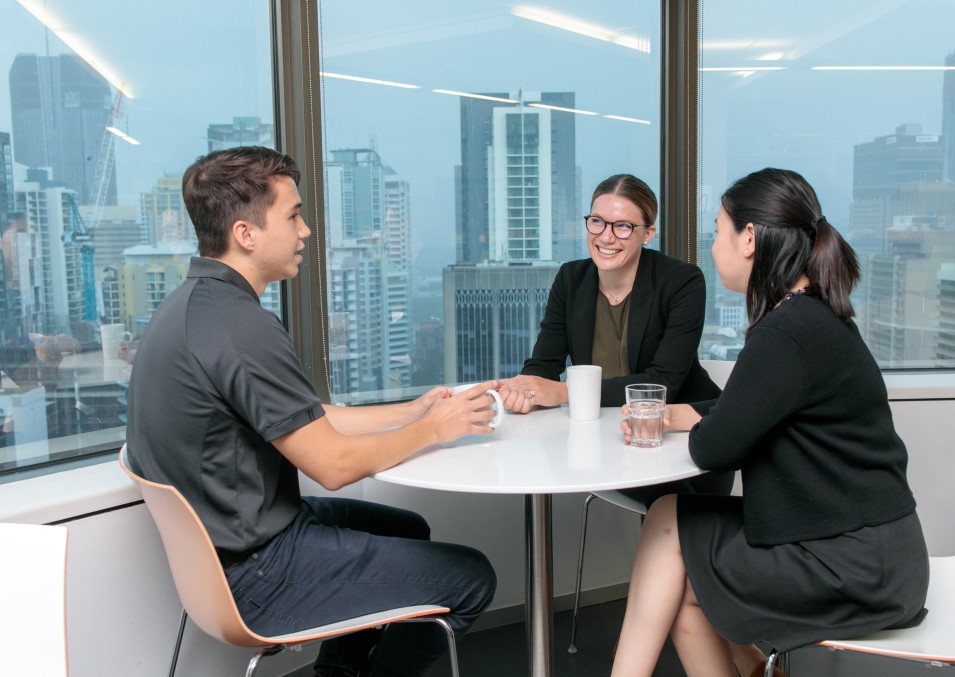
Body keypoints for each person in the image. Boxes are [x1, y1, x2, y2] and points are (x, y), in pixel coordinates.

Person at [125, 146, 497, 677]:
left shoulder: (193, 305)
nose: (305, 232)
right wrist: (435, 430)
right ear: (245, 233)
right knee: (472, 577)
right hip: (259, 569)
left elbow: (304, 415)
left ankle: (338, 672)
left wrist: (410, 412)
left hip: (230, 549)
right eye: (293, 216)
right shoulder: (240, 328)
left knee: (409, 527)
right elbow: (333, 466)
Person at [610, 168, 929, 677]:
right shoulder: (813, 315)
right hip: (876, 554)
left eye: (717, 232)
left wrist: (692, 423)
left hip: (855, 568)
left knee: (670, 521)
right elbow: (761, 408)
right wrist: (684, 413)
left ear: (750, 238)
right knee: (688, 582)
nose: (713, 248)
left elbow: (713, 450)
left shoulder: (785, 333)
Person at [500, 173, 731, 502]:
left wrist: (564, 392)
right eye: (597, 221)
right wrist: (526, 390)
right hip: (603, 439)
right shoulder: (571, 278)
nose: (606, 237)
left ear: (648, 233)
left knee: (676, 514)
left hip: (682, 443)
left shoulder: (682, 281)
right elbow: (542, 365)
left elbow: (662, 383)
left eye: (622, 226)